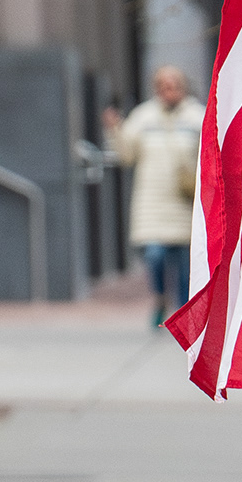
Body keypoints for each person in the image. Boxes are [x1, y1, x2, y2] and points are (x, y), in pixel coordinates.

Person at [105, 66, 204, 325]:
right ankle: (160, 297)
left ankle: (184, 316)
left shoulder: (197, 117)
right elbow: (126, 155)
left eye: (173, 84)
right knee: (155, 256)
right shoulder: (144, 117)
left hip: (185, 201)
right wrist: (115, 130)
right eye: (163, 85)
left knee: (185, 266)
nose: (168, 90)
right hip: (151, 201)